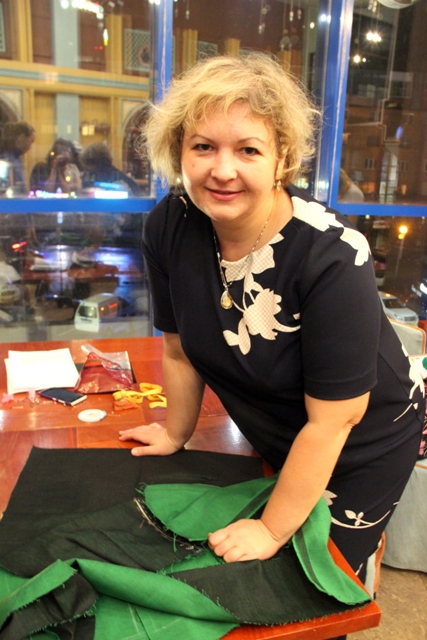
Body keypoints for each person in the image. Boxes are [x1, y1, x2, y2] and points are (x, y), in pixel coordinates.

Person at [118, 54, 424, 612]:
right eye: (203, 146)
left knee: (311, 591)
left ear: (282, 157)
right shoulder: (171, 223)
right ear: (179, 150)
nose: (222, 170)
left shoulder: (333, 256)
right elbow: (179, 349)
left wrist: (271, 529)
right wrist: (176, 433)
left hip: (360, 440)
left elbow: (334, 420)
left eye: (248, 150)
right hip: (278, 425)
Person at [0, 121, 35, 193]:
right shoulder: (5, 159)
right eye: (31, 141)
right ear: (21, 137)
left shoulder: (18, 159)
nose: (30, 146)